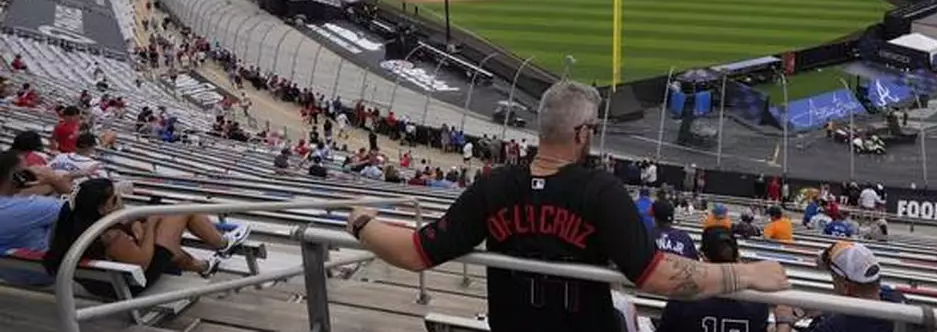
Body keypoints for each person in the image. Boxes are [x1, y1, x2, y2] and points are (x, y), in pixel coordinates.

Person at [344, 80, 789, 332]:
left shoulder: (493, 186)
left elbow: (415, 251)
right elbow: (657, 275)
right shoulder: (601, 191)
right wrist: (744, 273)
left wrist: (362, 222)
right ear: (581, 133)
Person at [44, 178, 252, 297]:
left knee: (160, 218)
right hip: (131, 284)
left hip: (106, 281)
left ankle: (205, 266)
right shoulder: (111, 236)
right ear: (101, 208)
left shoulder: (76, 221)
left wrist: (137, 222)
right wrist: (150, 225)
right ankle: (223, 243)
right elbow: (142, 262)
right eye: (115, 198)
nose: (121, 198)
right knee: (182, 210)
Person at [657, 227, 794, 332]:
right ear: (737, 256)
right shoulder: (757, 301)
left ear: (703, 257)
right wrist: (784, 324)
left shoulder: (683, 298)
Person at [801, 242, 901, 332]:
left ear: (846, 287)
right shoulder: (897, 300)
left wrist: (786, 320)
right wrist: (827, 310)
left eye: (834, 278)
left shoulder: (833, 326)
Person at [0, 150, 66, 284]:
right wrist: (55, 180)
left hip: (5, 269)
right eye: (25, 171)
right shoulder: (35, 206)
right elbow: (85, 206)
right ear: (15, 176)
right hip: (35, 276)